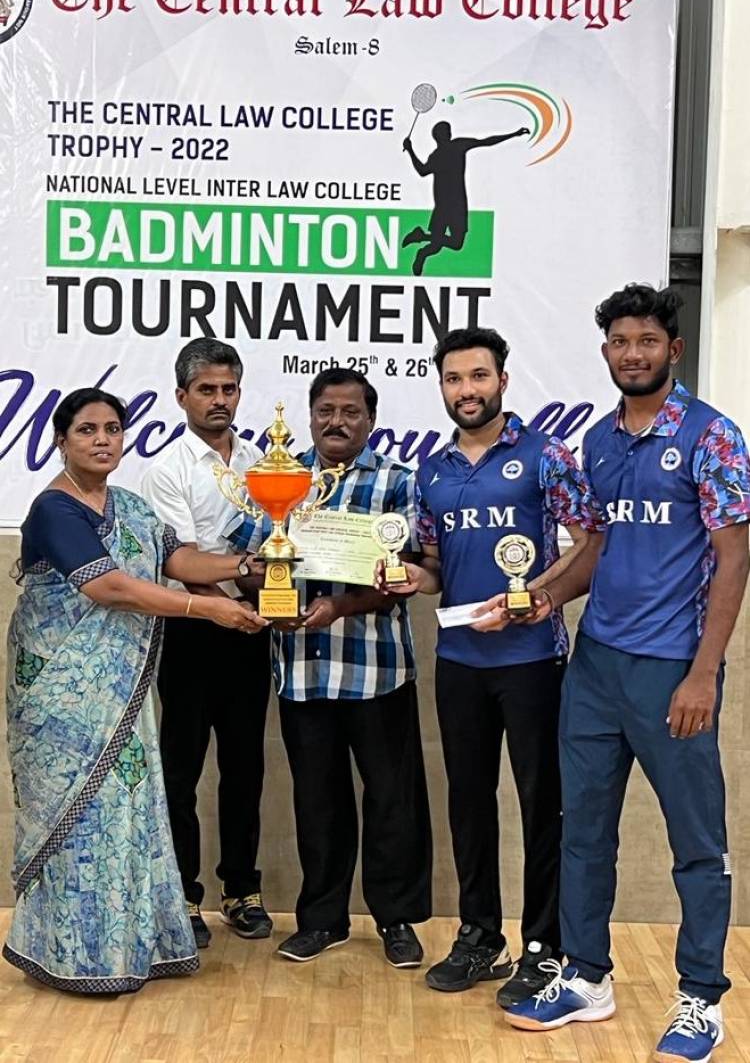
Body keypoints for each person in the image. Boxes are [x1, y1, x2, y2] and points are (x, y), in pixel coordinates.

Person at [488, 286, 750, 1062]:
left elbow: (735, 557)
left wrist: (705, 673)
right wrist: (545, 596)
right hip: (596, 667)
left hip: (673, 669)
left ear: (674, 348)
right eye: (620, 341)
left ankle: (701, 998)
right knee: (584, 832)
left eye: (647, 340)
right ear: (605, 352)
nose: (632, 352)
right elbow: (595, 547)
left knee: (696, 844)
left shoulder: (713, 436)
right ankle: (587, 974)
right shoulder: (599, 441)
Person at [4, 388, 265, 994]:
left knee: (123, 812)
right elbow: (111, 588)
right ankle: (68, 956)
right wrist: (210, 612)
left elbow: (182, 561)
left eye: (113, 429)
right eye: (87, 430)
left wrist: (257, 564)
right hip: (60, 698)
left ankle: (126, 947)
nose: (102, 440)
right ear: (60, 440)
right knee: (77, 818)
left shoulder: (132, 508)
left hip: (121, 696)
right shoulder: (55, 510)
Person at [377, 327, 603, 1006]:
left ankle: (543, 944)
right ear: (441, 386)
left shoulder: (545, 456)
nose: (466, 390)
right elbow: (432, 565)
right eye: (454, 379)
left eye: (478, 376)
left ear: (502, 380)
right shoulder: (434, 470)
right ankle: (481, 934)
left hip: (533, 658)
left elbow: (593, 540)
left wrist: (543, 595)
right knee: (469, 803)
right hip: (459, 658)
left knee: (542, 804)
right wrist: (402, 577)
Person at [226, 368, 433, 967]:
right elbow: (250, 557)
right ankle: (322, 920)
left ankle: (396, 919)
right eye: (326, 411)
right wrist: (261, 577)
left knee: (393, 799)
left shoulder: (397, 482)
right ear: (311, 417)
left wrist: (340, 605)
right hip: (302, 671)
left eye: (350, 411)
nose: (336, 422)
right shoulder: (278, 481)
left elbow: (407, 572)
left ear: (370, 420)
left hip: (377, 669)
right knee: (318, 802)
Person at [142, 339, 272, 949]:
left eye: (228, 389)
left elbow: (287, 535)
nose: (219, 401)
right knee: (182, 770)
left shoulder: (267, 461)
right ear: (181, 397)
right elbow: (182, 560)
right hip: (193, 630)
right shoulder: (166, 470)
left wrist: (272, 580)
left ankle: (242, 889)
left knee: (245, 767)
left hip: (252, 628)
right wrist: (249, 569)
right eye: (206, 390)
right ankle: (184, 896)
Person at [401, 121, 529, 275]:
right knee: (439, 246)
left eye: (448, 131)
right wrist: (410, 150)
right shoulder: (450, 149)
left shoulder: (447, 151)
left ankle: (421, 238)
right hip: (449, 206)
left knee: (452, 244)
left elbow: (486, 142)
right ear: (441, 136)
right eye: (446, 131)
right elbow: (422, 171)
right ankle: (421, 249)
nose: (449, 133)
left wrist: (410, 150)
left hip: (454, 206)